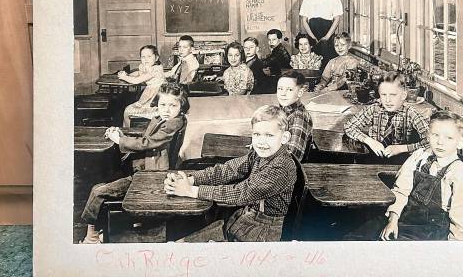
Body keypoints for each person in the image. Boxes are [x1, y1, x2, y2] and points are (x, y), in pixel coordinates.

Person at [163, 105, 296, 242]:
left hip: (261, 232)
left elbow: (241, 193)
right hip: (245, 220)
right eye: (257, 134)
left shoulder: (281, 167)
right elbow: (228, 170)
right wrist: (191, 179)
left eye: (269, 135)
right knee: (179, 243)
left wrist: (192, 191)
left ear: (285, 137)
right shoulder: (260, 154)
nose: (261, 141)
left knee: (183, 246)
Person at [80, 83, 189, 244]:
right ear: (157, 105)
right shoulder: (161, 119)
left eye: (172, 105)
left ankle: (92, 237)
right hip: (143, 169)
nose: (166, 109)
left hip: (150, 177)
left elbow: (148, 143)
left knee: (98, 191)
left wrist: (120, 140)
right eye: (162, 105)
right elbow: (145, 137)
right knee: (102, 182)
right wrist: (121, 134)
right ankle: (103, 228)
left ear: (182, 106)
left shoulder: (173, 123)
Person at [380, 110, 463, 241]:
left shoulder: (459, 171)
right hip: (404, 218)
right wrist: (393, 220)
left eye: (449, 138)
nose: (440, 142)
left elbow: (461, 220)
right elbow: (400, 190)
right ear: (428, 136)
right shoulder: (419, 156)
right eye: (436, 135)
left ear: (461, 141)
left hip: (430, 232)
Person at [343, 71, 430, 164]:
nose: (388, 100)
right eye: (384, 95)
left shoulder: (411, 113)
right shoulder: (374, 109)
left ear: (403, 95)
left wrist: (402, 148)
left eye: (393, 95)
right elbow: (349, 127)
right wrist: (370, 141)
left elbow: (430, 142)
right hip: (372, 158)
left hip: (400, 163)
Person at [299, 0, 343, 67]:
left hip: (327, 33)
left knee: (327, 62)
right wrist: (312, 37)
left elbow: (337, 20)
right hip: (312, 33)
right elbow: (304, 20)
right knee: (313, 61)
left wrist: (327, 37)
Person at [119, 45, 165, 127]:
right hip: (149, 95)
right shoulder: (147, 67)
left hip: (156, 100)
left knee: (127, 111)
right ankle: (127, 131)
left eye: (149, 56)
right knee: (127, 109)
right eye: (143, 57)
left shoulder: (156, 69)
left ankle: (128, 132)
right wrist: (128, 75)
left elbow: (137, 80)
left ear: (156, 58)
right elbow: (138, 73)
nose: (146, 59)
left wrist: (124, 77)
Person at [276, 70, 313, 162]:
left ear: (300, 93)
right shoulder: (283, 110)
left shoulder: (299, 117)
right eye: (280, 88)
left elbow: (293, 157)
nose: (283, 93)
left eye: (289, 89)